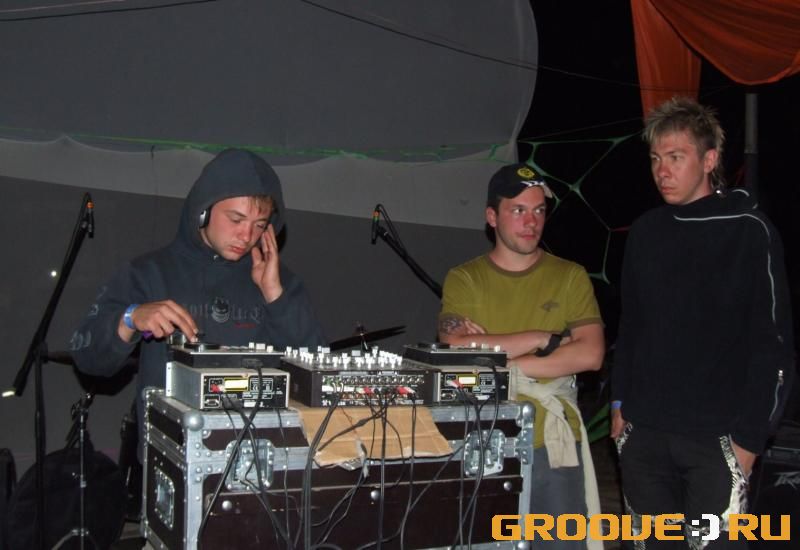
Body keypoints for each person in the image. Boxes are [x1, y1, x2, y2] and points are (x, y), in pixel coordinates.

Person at [610, 97, 795, 547]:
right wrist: (619, 407)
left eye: (676, 157)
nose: (662, 170)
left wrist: (749, 441)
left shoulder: (750, 231)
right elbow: (631, 327)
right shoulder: (647, 231)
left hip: (717, 440)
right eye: (656, 158)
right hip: (645, 435)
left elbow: (773, 345)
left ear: (709, 160)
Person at [70, 148, 326, 430]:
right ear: (202, 212)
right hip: (174, 448)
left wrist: (276, 297)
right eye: (236, 220)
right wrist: (130, 318)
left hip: (262, 448)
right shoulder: (148, 273)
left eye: (259, 225)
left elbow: (319, 376)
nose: (246, 236)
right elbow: (88, 358)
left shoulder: (277, 281)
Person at [439, 163, 605, 550]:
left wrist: (505, 364)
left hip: (553, 443)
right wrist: (543, 337)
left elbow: (591, 353)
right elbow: (455, 348)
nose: (531, 222)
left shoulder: (569, 275)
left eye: (538, 210)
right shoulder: (465, 278)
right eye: (518, 210)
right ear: (491, 216)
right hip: (484, 440)